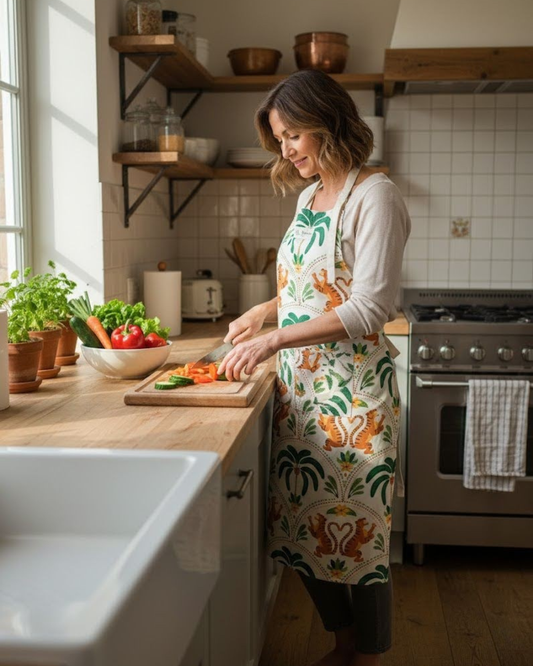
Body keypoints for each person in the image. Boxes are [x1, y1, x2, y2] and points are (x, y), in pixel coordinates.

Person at [217, 69, 411, 666]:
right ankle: (343, 642)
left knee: (361, 533)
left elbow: (370, 306)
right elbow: (313, 284)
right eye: (279, 139)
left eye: (293, 134)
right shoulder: (308, 198)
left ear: (329, 122)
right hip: (302, 395)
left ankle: (369, 652)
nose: (287, 149)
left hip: (354, 396)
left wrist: (276, 338)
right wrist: (264, 309)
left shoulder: (374, 196)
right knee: (301, 526)